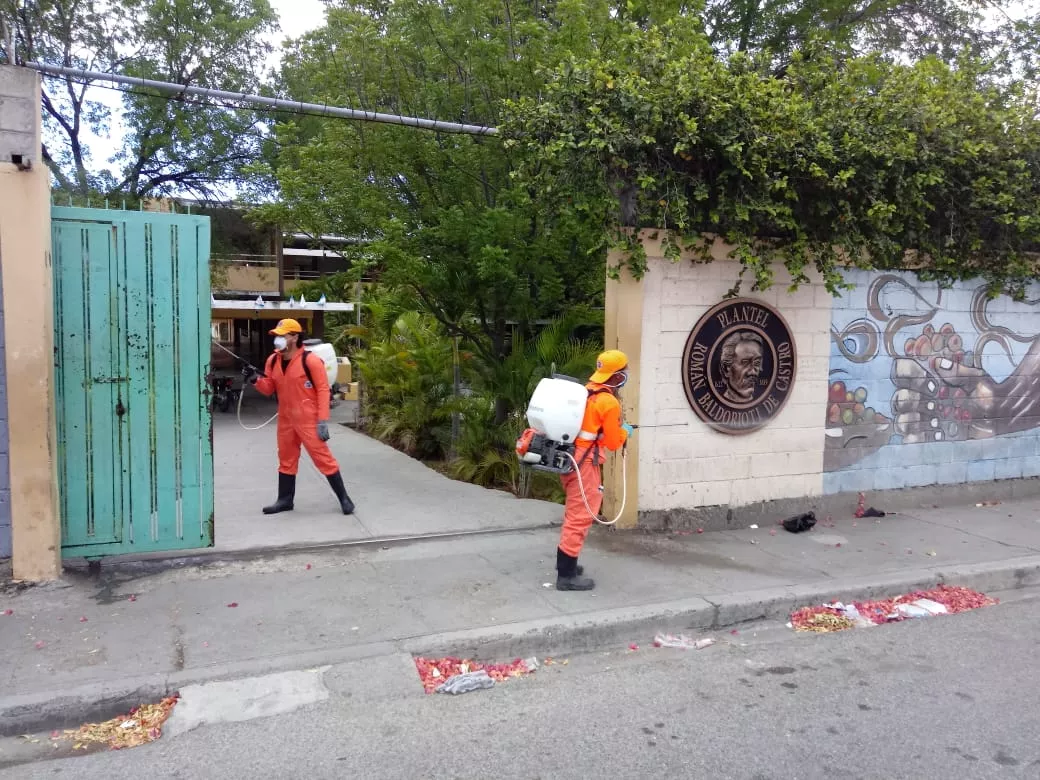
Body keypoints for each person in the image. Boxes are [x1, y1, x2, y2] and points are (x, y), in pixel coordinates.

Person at [242, 318, 356, 516]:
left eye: (282, 335)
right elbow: (269, 388)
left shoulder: (310, 361)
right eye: (276, 335)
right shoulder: (273, 360)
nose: (278, 339)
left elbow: (322, 390)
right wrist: (255, 379)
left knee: (323, 459)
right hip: (286, 418)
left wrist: (322, 420)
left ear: (295, 337)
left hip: (308, 419)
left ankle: (345, 499)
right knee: (286, 458)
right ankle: (285, 500)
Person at [556, 349, 633, 591]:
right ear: (618, 377)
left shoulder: (586, 391)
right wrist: (625, 431)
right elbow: (612, 442)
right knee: (580, 517)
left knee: (574, 513)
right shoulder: (608, 401)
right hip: (585, 463)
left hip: (569, 459)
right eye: (624, 372)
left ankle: (566, 565)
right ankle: (566, 577)